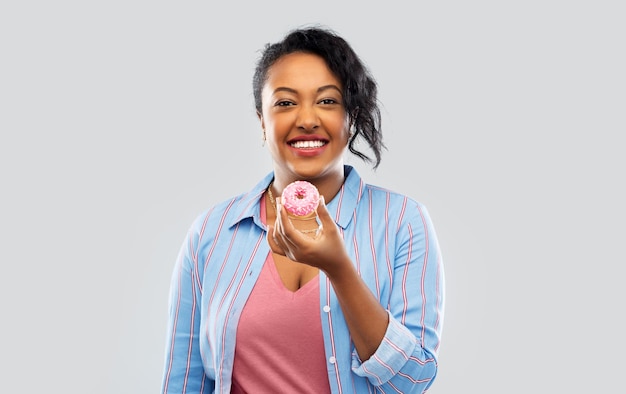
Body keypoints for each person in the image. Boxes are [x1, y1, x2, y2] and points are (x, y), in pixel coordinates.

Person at [161, 26, 445, 394]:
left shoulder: (404, 222)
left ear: (352, 117)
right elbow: (184, 381)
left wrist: (339, 269)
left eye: (327, 101)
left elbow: (413, 379)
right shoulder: (213, 232)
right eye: (285, 102)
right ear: (263, 122)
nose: (307, 119)